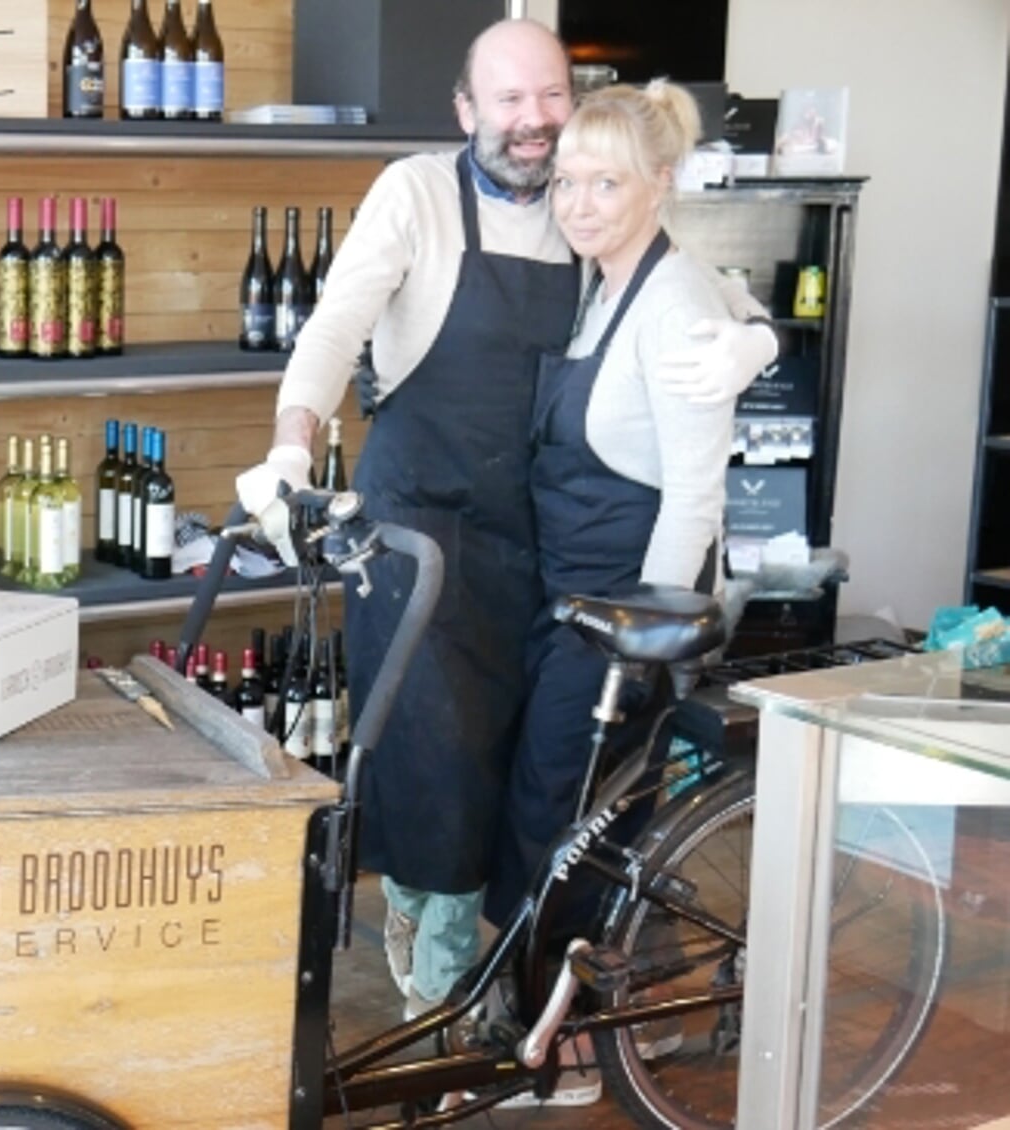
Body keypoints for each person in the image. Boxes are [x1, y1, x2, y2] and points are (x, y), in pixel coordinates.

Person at [234, 19, 775, 1020]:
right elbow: (331, 327)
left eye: (548, 98)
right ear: (465, 111)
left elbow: (697, 281)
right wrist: (288, 447)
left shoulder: (586, 202)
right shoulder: (415, 193)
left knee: (527, 772)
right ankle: (434, 987)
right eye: (509, 101)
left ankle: (518, 982)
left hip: (532, 539)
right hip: (416, 526)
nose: (533, 126)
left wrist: (755, 338)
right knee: (433, 760)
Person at [484, 80, 740, 1106]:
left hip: (627, 609)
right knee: (586, 820)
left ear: (659, 183)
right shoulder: (605, 283)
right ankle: (629, 1014)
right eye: (568, 182)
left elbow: (693, 494)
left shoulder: (675, 308)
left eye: (606, 182)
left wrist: (644, 645)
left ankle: (572, 1056)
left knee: (563, 819)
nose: (579, 203)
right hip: (571, 596)